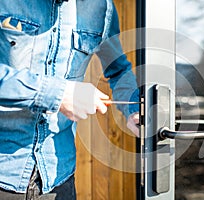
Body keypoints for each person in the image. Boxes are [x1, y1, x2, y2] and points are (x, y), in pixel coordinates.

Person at [0, 0, 139, 199]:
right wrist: (59, 94)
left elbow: (119, 71)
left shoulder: (102, 7)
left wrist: (134, 107)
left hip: (59, 180)